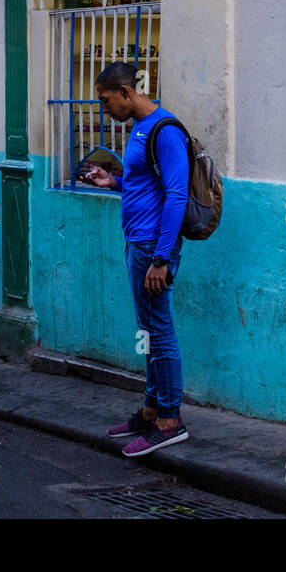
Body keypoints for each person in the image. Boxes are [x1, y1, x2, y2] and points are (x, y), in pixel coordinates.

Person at [80, 61, 191, 457]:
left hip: (153, 249)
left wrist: (161, 258)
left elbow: (177, 195)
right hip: (139, 244)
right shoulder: (140, 130)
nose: (104, 108)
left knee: (159, 331)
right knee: (148, 331)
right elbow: (146, 184)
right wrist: (114, 182)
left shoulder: (165, 130)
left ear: (126, 92)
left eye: (106, 100)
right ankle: (150, 410)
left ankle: (170, 421)